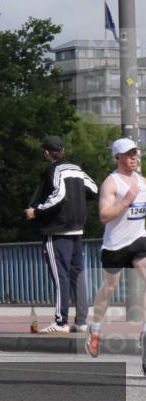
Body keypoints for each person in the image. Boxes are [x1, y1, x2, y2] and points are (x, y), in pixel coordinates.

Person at [25, 135, 98, 333]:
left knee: (60, 277)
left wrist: (37, 211)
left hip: (57, 231)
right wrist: (79, 202)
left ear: (47, 153)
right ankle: (81, 322)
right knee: (77, 276)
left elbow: (58, 195)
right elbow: (93, 188)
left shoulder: (54, 170)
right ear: (62, 151)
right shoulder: (76, 169)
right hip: (77, 230)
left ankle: (60, 322)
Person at [86, 137, 146, 360]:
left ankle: (145, 332)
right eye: (129, 154)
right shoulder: (111, 183)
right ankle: (95, 329)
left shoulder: (143, 182)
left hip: (139, 239)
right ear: (117, 157)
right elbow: (104, 216)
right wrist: (125, 202)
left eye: (135, 153)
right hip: (115, 246)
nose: (133, 158)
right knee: (109, 288)